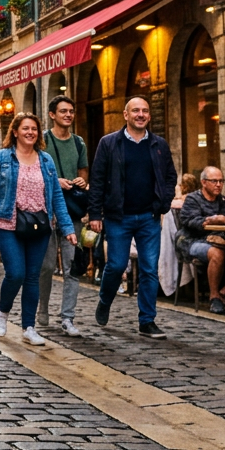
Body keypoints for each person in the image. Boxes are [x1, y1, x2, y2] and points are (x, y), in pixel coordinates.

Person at [0, 113, 77, 347]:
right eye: (25, 128)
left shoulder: (46, 160)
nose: (30, 132)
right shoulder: (1, 158)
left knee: (32, 277)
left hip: (40, 226)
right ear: (15, 132)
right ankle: (3, 312)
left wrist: (67, 227)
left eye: (35, 129)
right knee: (16, 273)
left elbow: (57, 196)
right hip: (8, 224)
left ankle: (29, 327)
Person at [88, 96, 179, 339]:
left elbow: (170, 176)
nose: (141, 114)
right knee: (116, 265)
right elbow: (97, 180)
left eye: (145, 111)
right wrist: (95, 213)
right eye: (136, 110)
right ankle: (105, 300)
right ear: (125, 115)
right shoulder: (109, 143)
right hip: (118, 217)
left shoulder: (158, 144)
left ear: (149, 116)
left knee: (149, 269)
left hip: (149, 217)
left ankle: (147, 321)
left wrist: (164, 202)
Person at [39, 95, 89, 336]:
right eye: (63, 111)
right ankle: (42, 310)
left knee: (72, 267)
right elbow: (34, 175)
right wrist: (54, 181)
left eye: (71, 111)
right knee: (46, 265)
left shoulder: (79, 143)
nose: (68, 115)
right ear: (52, 115)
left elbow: (83, 175)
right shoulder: (43, 142)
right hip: (47, 213)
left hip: (72, 214)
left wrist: (82, 181)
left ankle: (68, 317)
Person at [177, 166, 225, 314]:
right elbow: (189, 221)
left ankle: (223, 292)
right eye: (214, 181)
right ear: (203, 182)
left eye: (221, 181)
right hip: (194, 241)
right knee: (217, 253)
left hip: (222, 240)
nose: (218, 185)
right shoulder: (193, 199)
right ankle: (214, 297)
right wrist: (211, 220)